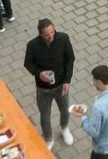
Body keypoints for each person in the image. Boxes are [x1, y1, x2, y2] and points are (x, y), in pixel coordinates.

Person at [24, 19, 76, 150]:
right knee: (45, 115)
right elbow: (28, 64)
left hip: (61, 85)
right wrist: (39, 73)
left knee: (65, 110)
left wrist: (67, 81)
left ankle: (64, 128)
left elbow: (70, 59)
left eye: (53, 32)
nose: (51, 36)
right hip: (43, 89)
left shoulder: (63, 38)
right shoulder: (32, 45)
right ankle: (48, 138)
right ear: (40, 35)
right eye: (47, 35)